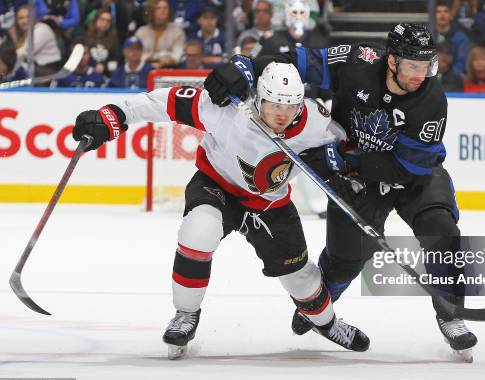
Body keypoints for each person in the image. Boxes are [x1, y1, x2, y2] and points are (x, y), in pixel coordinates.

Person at [203, 23, 481, 360]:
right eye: (412, 66)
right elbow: (294, 63)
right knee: (345, 259)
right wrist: (246, 65)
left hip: (413, 178)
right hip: (355, 177)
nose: (420, 75)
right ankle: (320, 303)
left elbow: (409, 168)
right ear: (391, 60)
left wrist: (346, 159)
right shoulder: (356, 61)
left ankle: (451, 314)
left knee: (442, 230)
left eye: (426, 66)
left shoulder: (431, 99)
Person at [71, 61, 370, 359]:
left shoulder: (316, 122)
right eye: (274, 105)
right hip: (217, 187)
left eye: (290, 107)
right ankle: (185, 315)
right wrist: (112, 116)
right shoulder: (225, 108)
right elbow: (161, 103)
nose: (282, 114)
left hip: (270, 204)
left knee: (301, 278)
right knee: (198, 231)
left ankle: (327, 323)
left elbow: (349, 150)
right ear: (259, 98)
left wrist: (351, 176)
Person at [135, 0, 185, 69]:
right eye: (158, 8)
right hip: (144, 69)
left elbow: (177, 55)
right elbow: (136, 54)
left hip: (169, 69)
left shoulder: (177, 32)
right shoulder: (141, 32)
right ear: (151, 11)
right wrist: (150, 58)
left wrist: (162, 62)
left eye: (165, 8)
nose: (163, 11)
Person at [435, 0, 471, 75]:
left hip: (453, 79)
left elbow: (461, 64)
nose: (442, 14)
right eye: (438, 12)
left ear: (450, 15)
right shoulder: (425, 36)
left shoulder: (461, 38)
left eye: (445, 11)